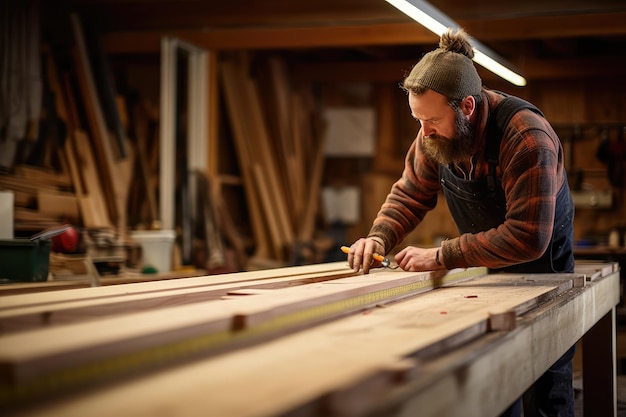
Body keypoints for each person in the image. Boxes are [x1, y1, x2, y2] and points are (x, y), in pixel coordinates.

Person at [345, 28, 575, 417]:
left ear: (467, 106)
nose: (424, 132)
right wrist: (379, 237)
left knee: (543, 388)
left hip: (543, 272)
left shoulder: (525, 137)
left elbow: (528, 237)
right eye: (418, 120)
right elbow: (410, 193)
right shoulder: (434, 135)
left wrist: (441, 255)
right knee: (495, 383)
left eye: (431, 120)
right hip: (485, 271)